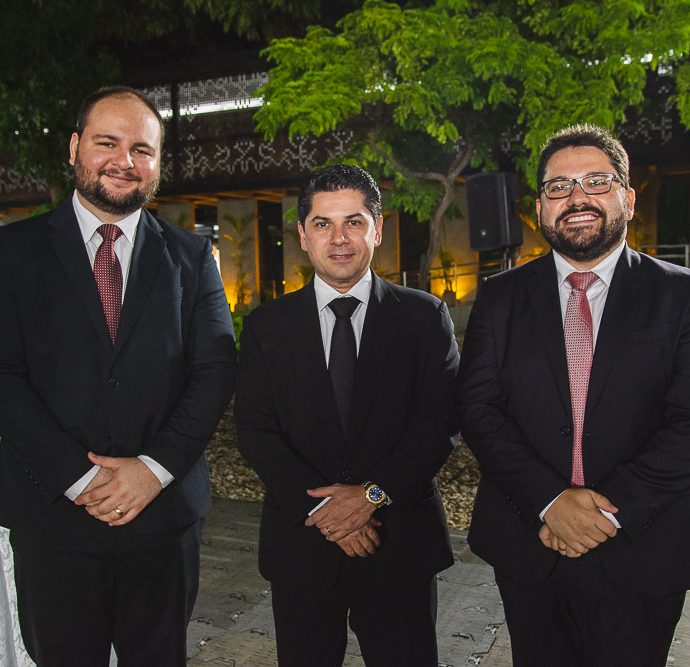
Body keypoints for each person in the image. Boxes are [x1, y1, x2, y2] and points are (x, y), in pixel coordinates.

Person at [0, 86, 236, 667]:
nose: (124, 161)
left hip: (163, 519)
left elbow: (214, 371)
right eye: (107, 143)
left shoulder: (192, 257)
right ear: (75, 148)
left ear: (158, 163)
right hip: (52, 516)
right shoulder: (11, 252)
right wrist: (80, 479)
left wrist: (152, 471)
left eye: (142, 149)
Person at [457, 124, 690, 666]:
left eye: (595, 182)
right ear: (541, 207)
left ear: (628, 198)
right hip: (530, 543)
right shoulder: (499, 296)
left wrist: (604, 514)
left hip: (643, 544)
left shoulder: (680, 295)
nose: (577, 197)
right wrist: (551, 501)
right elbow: (478, 409)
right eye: (558, 186)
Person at [235, 164, 459, 666]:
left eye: (353, 222)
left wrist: (371, 496)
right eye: (323, 223)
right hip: (302, 547)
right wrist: (326, 512)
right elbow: (255, 430)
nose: (339, 238)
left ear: (377, 229)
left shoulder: (423, 318)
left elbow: (439, 424)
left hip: (399, 543)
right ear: (303, 234)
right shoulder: (267, 327)